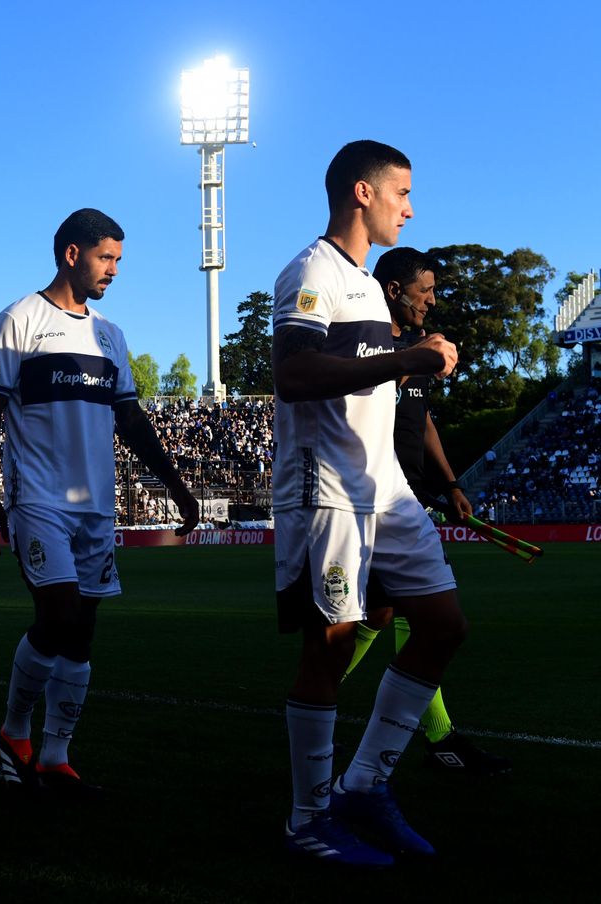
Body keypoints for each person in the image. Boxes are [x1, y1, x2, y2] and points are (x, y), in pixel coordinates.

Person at [272, 141, 466, 867]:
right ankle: (307, 821)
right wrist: (406, 358)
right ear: (363, 192)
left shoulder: (362, 284)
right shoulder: (312, 271)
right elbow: (292, 373)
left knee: (443, 625)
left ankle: (363, 787)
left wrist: (409, 355)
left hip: (385, 489)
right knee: (326, 649)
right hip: (327, 489)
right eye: (402, 193)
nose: (410, 208)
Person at [0, 208, 199, 794]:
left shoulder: (110, 336)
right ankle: (13, 731)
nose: (115, 270)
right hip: (38, 499)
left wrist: (174, 482)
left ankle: (55, 754)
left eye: (119, 260)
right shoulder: (19, 320)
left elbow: (131, 419)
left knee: (82, 630)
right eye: (107, 257)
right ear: (72, 254)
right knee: (60, 615)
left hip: (96, 505)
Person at [336, 247, 510, 775]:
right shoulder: (368, 348)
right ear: (394, 290)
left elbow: (424, 419)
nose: (432, 301)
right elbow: (346, 402)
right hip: (366, 499)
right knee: (420, 615)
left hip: (408, 497)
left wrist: (450, 482)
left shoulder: (415, 349)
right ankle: (434, 738)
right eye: (424, 291)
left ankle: (435, 737)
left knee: (396, 614)